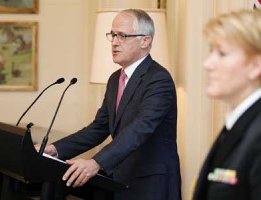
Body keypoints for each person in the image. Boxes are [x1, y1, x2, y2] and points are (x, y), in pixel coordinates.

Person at [38, 9, 181, 200]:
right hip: (120, 179)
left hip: (150, 184)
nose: (114, 42)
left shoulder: (158, 79)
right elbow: (99, 128)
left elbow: (140, 129)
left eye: (122, 36)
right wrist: (54, 149)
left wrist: (97, 162)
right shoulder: (115, 79)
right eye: (113, 35)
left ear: (145, 41)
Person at [193, 9, 261, 200]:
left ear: (255, 66)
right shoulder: (240, 121)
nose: (207, 64)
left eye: (221, 54)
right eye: (211, 51)